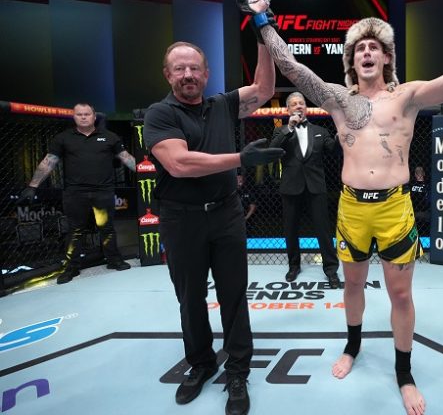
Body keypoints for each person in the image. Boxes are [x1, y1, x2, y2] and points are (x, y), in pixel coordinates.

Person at [237, 0, 443, 415]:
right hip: (351, 209)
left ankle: (404, 373)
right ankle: (352, 345)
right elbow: (291, 67)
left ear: (386, 56)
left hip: (394, 208)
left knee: (401, 296)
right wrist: (262, 21)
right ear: (351, 59)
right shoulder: (338, 99)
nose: (366, 52)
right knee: (353, 285)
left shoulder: (408, 96)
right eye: (359, 48)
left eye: (374, 46)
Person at [143, 39, 282, 415]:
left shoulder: (222, 104)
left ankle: (237, 372)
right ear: (168, 75)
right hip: (181, 218)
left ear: (206, 74)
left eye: (194, 68)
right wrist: (240, 159)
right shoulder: (160, 114)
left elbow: (265, 89)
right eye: (180, 69)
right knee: (190, 298)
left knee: (234, 295)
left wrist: (262, 36)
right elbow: (180, 164)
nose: (188, 75)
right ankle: (201, 363)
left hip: (226, 213)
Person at [17, 103, 135, 284]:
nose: (83, 117)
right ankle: (71, 267)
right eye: (79, 114)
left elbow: (126, 158)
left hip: (102, 192)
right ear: (74, 117)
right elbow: (49, 161)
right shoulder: (63, 138)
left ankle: (114, 260)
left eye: (87, 114)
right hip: (75, 193)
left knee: (106, 228)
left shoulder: (110, 137)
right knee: (75, 231)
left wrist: (148, 172)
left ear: (94, 116)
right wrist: (33, 186)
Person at [270, 91, 341, 287]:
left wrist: (340, 135)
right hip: (291, 187)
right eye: (294, 104)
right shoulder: (281, 131)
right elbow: (273, 149)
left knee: (323, 230)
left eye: (301, 103)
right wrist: (289, 128)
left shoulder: (320, 131)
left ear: (306, 108)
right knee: (291, 229)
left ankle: (331, 270)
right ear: (288, 110)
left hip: (315, 186)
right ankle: (294, 266)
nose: (298, 106)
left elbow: (334, 150)